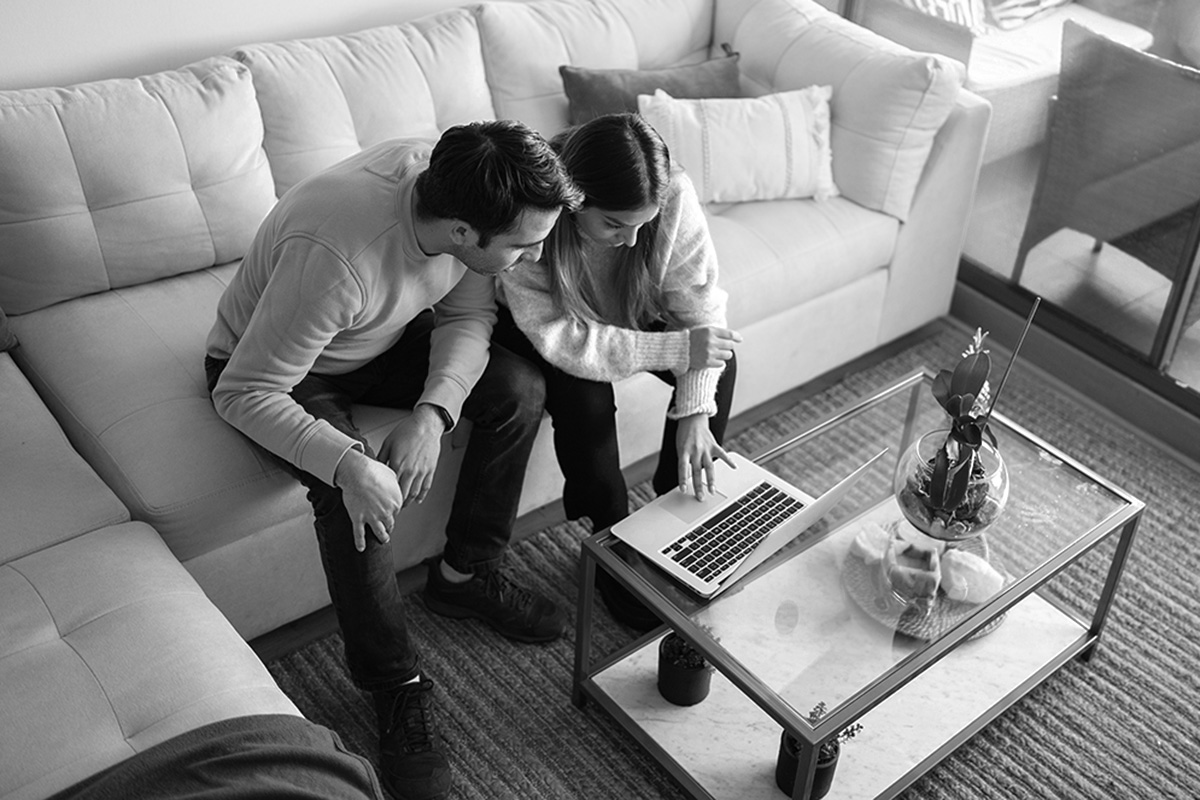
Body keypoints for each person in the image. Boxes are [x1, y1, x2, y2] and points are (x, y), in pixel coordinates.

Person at [204, 120, 583, 800]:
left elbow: (469, 317)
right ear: (464, 231)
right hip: (279, 371)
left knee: (520, 391)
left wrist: (433, 415)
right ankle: (394, 683)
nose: (535, 257)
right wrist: (352, 465)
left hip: (376, 338)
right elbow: (243, 389)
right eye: (526, 246)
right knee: (351, 492)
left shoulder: (453, 183)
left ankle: (467, 574)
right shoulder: (338, 254)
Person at [495, 113, 740, 630]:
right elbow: (567, 340)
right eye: (613, 224)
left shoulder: (670, 194)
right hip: (552, 325)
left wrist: (695, 410)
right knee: (585, 396)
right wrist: (675, 351)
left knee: (725, 360)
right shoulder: (532, 215)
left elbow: (700, 314)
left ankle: (678, 510)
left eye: (641, 225)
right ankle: (609, 531)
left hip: (627, 306)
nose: (631, 242)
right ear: (575, 199)